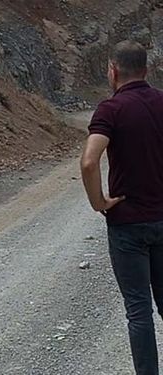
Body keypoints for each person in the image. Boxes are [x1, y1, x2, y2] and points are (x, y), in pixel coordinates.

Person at [80, 40, 163, 375]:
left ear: (113, 71)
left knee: (138, 310)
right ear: (146, 69)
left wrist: (99, 202)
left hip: (127, 224)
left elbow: (89, 162)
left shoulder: (110, 110)